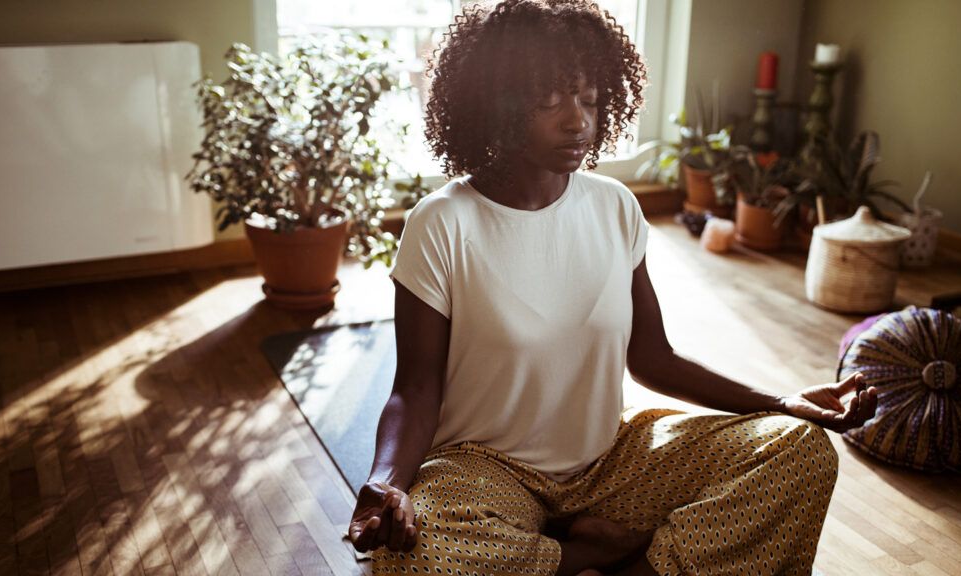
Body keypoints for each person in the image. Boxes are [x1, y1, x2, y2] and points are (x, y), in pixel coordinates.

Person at [348, 1, 878, 574]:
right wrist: (386, 485)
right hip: (484, 471)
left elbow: (653, 357)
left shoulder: (615, 205)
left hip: (609, 461)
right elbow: (415, 388)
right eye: (549, 102)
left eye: (590, 100)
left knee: (797, 451)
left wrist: (780, 403)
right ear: (494, 106)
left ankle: (624, 567)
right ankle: (589, 555)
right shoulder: (442, 222)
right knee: (414, 556)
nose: (577, 120)